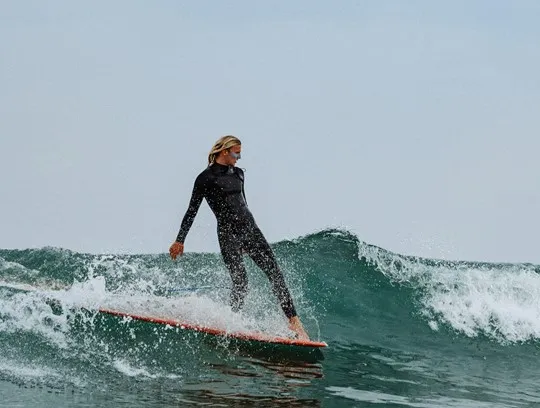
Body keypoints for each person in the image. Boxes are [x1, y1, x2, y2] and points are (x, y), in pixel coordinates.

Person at [169, 135, 309, 340]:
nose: (239, 157)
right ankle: (231, 322)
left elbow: (243, 204)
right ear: (224, 151)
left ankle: (294, 324)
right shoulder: (205, 178)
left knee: (275, 273)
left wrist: (249, 236)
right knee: (241, 281)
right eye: (236, 153)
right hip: (228, 234)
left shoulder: (239, 173)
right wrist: (180, 240)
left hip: (250, 229)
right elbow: (192, 210)